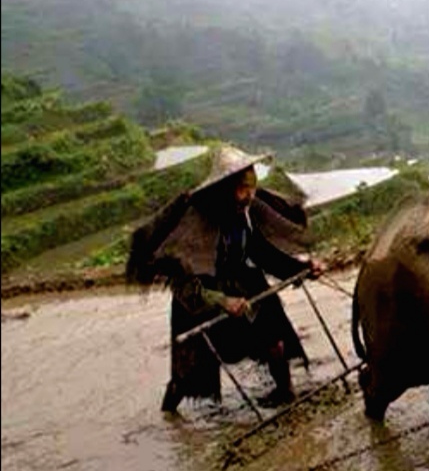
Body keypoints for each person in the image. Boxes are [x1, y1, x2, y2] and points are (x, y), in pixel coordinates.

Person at [127, 146, 325, 413]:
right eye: (243, 189)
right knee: (186, 376)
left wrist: (301, 268)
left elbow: (262, 253)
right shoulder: (195, 223)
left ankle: (284, 392)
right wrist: (222, 300)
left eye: (252, 188)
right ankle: (169, 416)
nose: (249, 196)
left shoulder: (245, 213)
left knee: (275, 339)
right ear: (225, 189)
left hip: (243, 285)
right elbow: (183, 284)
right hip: (200, 296)